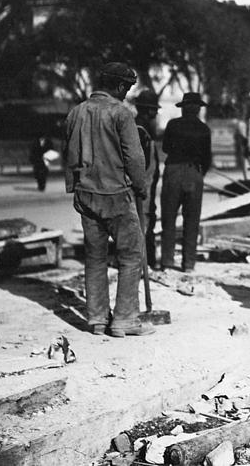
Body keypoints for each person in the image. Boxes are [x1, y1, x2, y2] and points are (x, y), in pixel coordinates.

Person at [63, 62, 153, 337]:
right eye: (126, 87)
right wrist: (141, 187)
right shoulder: (121, 114)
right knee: (129, 256)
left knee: (95, 257)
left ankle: (97, 320)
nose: (126, 93)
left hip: (86, 195)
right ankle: (125, 320)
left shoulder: (75, 112)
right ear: (117, 85)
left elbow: (67, 152)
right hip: (116, 196)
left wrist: (74, 187)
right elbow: (135, 157)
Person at [160, 92, 212, 272]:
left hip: (173, 170)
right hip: (194, 172)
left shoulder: (172, 125)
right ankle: (188, 264)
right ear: (198, 109)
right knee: (192, 221)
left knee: (169, 219)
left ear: (183, 108)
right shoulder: (204, 129)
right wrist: (198, 174)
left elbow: (166, 148)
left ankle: (167, 262)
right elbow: (207, 158)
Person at [132, 89, 161, 269]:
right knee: (143, 224)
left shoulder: (143, 129)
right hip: (142, 189)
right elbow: (138, 162)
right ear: (147, 110)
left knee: (145, 223)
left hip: (147, 188)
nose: (156, 113)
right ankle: (143, 263)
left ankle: (146, 262)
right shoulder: (140, 130)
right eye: (154, 109)